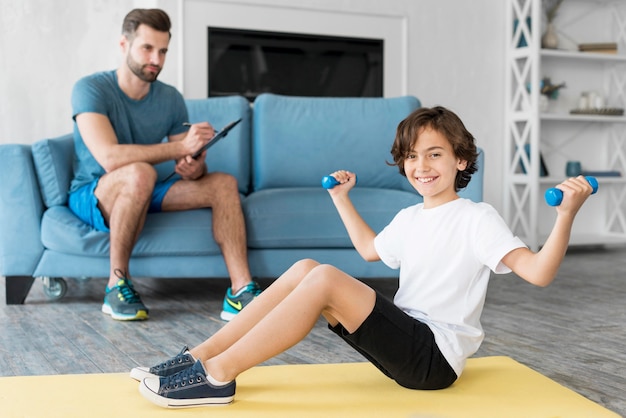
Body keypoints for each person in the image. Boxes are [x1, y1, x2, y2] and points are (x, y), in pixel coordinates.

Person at [132, 106, 593, 408]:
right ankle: (201, 356)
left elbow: (537, 272)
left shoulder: (477, 217)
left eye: (435, 154)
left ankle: (218, 376)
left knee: (327, 278)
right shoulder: (413, 216)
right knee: (307, 270)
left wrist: (565, 215)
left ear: (461, 161)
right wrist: (342, 200)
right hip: (406, 338)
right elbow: (372, 251)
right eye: (412, 157)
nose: (421, 166)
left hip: (434, 360)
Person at [68, 8, 261, 322]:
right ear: (124, 45)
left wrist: (193, 165)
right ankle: (116, 285)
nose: (156, 59)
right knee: (139, 173)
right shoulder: (91, 89)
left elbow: (186, 161)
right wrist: (180, 146)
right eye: (147, 48)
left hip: (147, 187)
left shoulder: (170, 97)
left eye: (163, 51)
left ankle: (240, 293)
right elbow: (109, 158)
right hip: (94, 191)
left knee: (223, 183)